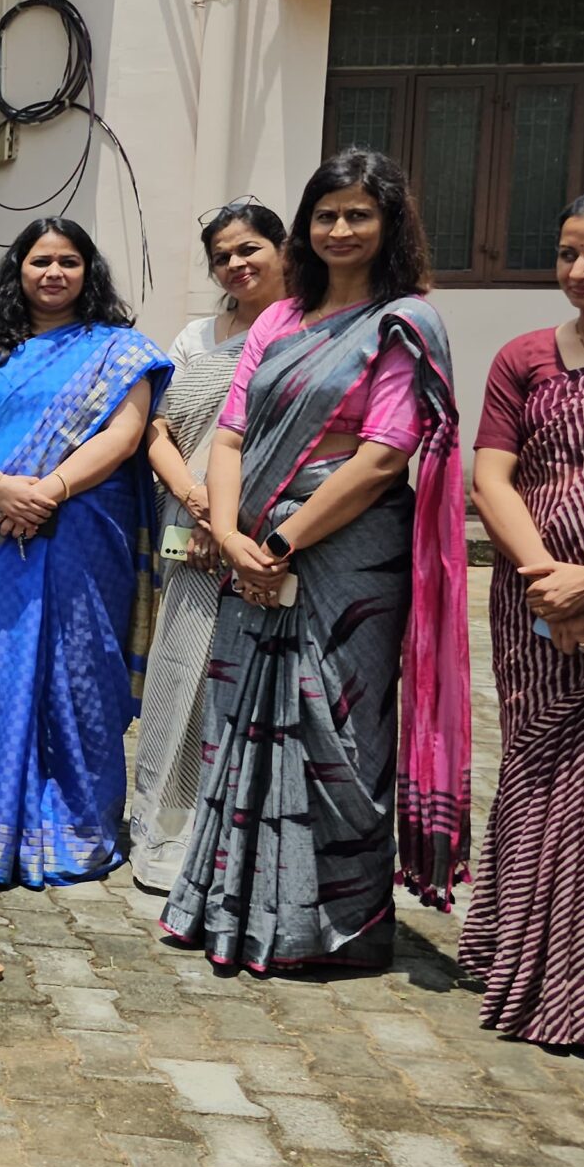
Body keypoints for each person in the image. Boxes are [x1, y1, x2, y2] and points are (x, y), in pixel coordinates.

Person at [160, 149, 470, 971]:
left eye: (358, 214)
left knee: (340, 733)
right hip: (247, 547)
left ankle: (326, 925)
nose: (339, 228)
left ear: (389, 224)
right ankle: (230, 905)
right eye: (326, 213)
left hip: (348, 558)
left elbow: (382, 454)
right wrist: (228, 534)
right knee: (237, 724)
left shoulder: (404, 321)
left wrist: (280, 542)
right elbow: (231, 433)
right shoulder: (278, 317)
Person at [459, 184, 584, 1046]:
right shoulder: (524, 355)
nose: (579, 269)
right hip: (529, 601)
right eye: (568, 252)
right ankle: (521, 963)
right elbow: (491, 475)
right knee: (538, 770)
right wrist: (544, 579)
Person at [0, 217, 169, 889]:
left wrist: (51, 489)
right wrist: (4, 488)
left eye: (69, 261)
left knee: (79, 668)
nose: (53, 273)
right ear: (19, 270)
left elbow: (127, 434)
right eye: (40, 261)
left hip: (81, 529)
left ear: (87, 271)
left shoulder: (119, 349)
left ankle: (75, 825)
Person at [126, 201, 288, 892]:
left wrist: (232, 513)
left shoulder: (304, 330)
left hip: (264, 534)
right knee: (180, 666)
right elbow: (160, 428)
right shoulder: (196, 335)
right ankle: (169, 825)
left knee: (251, 679)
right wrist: (194, 499)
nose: (236, 264)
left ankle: (241, 835)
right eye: (223, 256)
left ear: (283, 247)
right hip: (189, 531)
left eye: (249, 248)